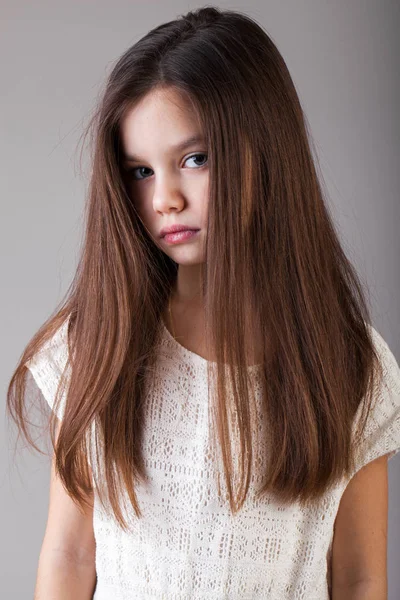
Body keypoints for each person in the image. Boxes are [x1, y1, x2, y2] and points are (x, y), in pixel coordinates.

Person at [6, 6, 400, 600]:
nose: (164, 198)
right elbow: (68, 556)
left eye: (195, 159)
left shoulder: (350, 365)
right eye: (140, 170)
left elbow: (359, 576)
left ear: (266, 151)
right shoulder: (98, 342)